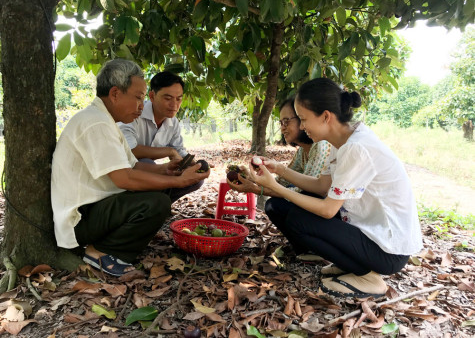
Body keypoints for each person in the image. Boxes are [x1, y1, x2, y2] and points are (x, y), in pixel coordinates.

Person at [248, 78, 423, 298]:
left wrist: (275, 187)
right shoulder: (342, 141)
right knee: (285, 209)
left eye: (303, 119)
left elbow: (328, 209)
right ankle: (351, 265)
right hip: (370, 235)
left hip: (388, 250)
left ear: (326, 116)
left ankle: (369, 276)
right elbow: (322, 187)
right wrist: (280, 171)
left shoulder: (356, 148)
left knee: (299, 220)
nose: (302, 127)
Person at [51, 59, 210, 277]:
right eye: (138, 97)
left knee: (157, 194)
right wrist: (178, 181)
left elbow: (133, 165)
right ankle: (100, 252)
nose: (140, 105)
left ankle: (111, 243)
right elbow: (125, 178)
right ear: (115, 94)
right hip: (79, 218)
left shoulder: (104, 120)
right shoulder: (96, 122)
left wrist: (168, 170)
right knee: (157, 203)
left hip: (94, 208)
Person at [227, 97, 333, 200]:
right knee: (275, 205)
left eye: (287, 121)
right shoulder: (302, 151)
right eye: (281, 123)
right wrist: (251, 177)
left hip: (331, 211)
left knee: (278, 206)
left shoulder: (321, 145)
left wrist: (256, 189)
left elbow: (308, 193)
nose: (282, 128)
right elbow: (281, 182)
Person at [119, 71, 203, 201]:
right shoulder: (134, 113)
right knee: (147, 163)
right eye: (167, 98)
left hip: (152, 174)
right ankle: (143, 205)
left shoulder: (172, 122)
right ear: (152, 96)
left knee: (196, 178)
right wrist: (169, 151)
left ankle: (159, 205)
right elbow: (129, 149)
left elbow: (179, 150)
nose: (174, 105)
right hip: (125, 175)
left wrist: (195, 165)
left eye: (179, 99)